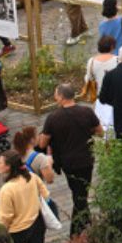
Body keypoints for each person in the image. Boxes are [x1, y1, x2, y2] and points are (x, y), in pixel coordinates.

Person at [42, 84, 100, 225]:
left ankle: (78, 230)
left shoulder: (53, 118)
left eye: (56, 95)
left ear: (61, 97)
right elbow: (100, 132)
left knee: (79, 195)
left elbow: (43, 143)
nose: (55, 97)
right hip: (87, 159)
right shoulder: (87, 112)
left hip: (68, 162)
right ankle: (85, 225)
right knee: (81, 193)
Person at [0, 149, 49, 243]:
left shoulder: (7, 189)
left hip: (16, 231)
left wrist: (0, 235)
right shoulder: (32, 177)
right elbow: (45, 195)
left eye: (0, 162)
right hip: (36, 224)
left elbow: (6, 217)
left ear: (8, 166)